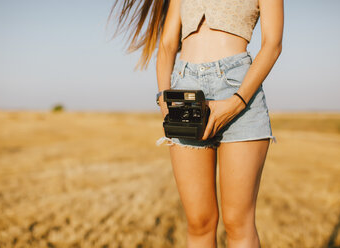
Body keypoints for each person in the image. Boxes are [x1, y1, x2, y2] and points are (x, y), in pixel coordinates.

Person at [107, 0, 284, 247]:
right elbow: (168, 45)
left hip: (240, 88)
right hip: (185, 88)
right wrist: (163, 97)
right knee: (199, 222)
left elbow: (273, 44)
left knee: (238, 223)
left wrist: (236, 102)